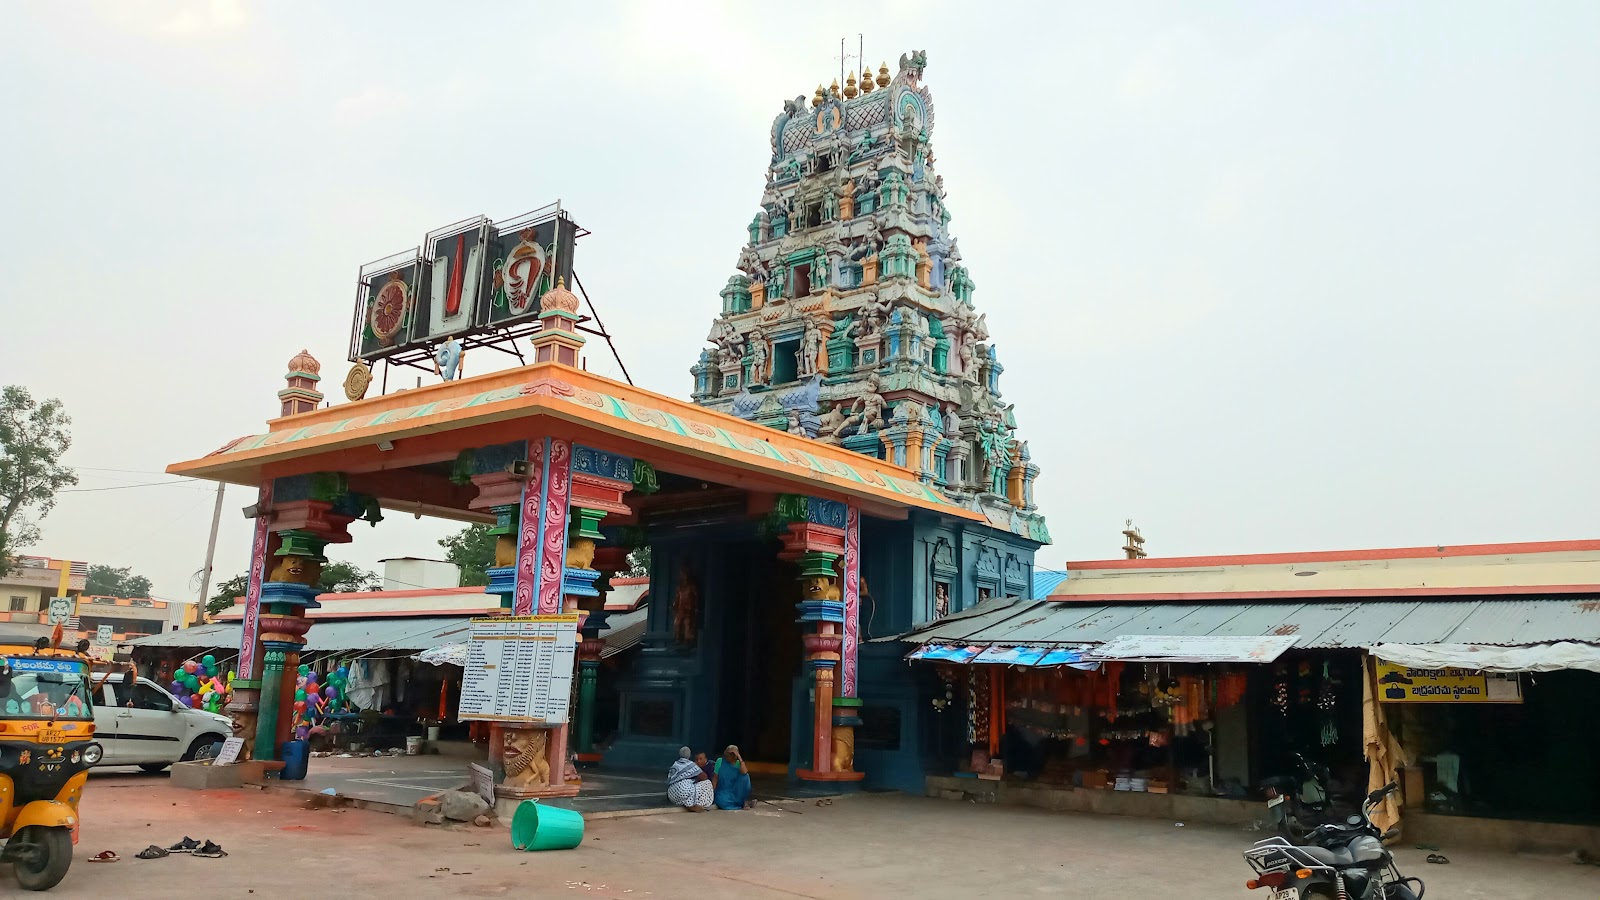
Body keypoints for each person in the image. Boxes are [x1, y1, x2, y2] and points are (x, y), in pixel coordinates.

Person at [666, 746, 713, 812]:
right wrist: (697, 767)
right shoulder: (691, 764)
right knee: (707, 783)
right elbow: (704, 777)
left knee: (691, 786)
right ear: (689, 755)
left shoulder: (675, 764)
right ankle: (697, 805)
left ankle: (687, 804)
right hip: (683, 791)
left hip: (671, 794)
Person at [712, 744, 753, 810]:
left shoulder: (739, 763)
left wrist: (739, 757)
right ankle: (743, 803)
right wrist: (712, 794)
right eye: (727, 753)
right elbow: (715, 779)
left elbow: (744, 772)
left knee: (745, 776)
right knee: (721, 800)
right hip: (724, 792)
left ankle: (745, 801)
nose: (728, 756)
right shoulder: (720, 761)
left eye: (731, 754)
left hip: (736, 791)